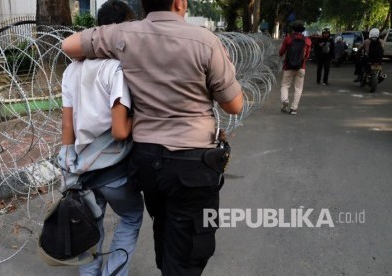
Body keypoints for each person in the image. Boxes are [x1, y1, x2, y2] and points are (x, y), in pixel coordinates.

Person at [62, 0, 244, 275]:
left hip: (147, 160)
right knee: (191, 242)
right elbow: (234, 105)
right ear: (179, 2)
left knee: (164, 223)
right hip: (193, 161)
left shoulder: (123, 34)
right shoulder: (206, 41)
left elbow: (68, 45)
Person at [58, 1, 143, 275]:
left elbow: (68, 128)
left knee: (90, 228)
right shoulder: (116, 69)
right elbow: (119, 130)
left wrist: (69, 166)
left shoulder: (72, 69)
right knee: (130, 217)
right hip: (113, 168)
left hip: (82, 167)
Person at [279, 20, 312, 115]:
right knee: (298, 88)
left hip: (288, 66)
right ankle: (293, 109)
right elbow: (307, 56)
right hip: (301, 67)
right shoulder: (307, 41)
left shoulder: (288, 39)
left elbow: (281, 52)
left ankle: (285, 100)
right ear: (302, 30)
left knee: (285, 85)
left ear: (293, 29)